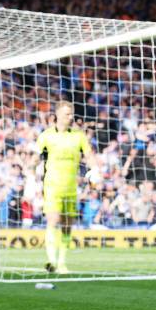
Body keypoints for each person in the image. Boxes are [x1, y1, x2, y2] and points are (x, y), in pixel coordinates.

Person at [37, 101, 101, 274]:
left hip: (70, 186)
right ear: (57, 114)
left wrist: (95, 170)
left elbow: (89, 155)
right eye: (66, 114)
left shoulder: (78, 136)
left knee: (67, 224)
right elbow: (35, 156)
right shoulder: (46, 135)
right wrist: (32, 171)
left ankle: (62, 262)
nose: (70, 117)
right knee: (53, 220)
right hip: (52, 185)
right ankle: (51, 260)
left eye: (71, 113)